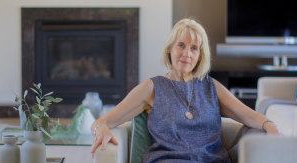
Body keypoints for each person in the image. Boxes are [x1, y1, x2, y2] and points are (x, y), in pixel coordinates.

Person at [90, 18, 279, 162]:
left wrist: (271, 126)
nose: (187, 54)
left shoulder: (211, 87)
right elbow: (103, 121)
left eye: (194, 48)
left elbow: (250, 116)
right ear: (170, 49)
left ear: (200, 56)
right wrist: (101, 128)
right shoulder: (152, 87)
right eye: (181, 45)